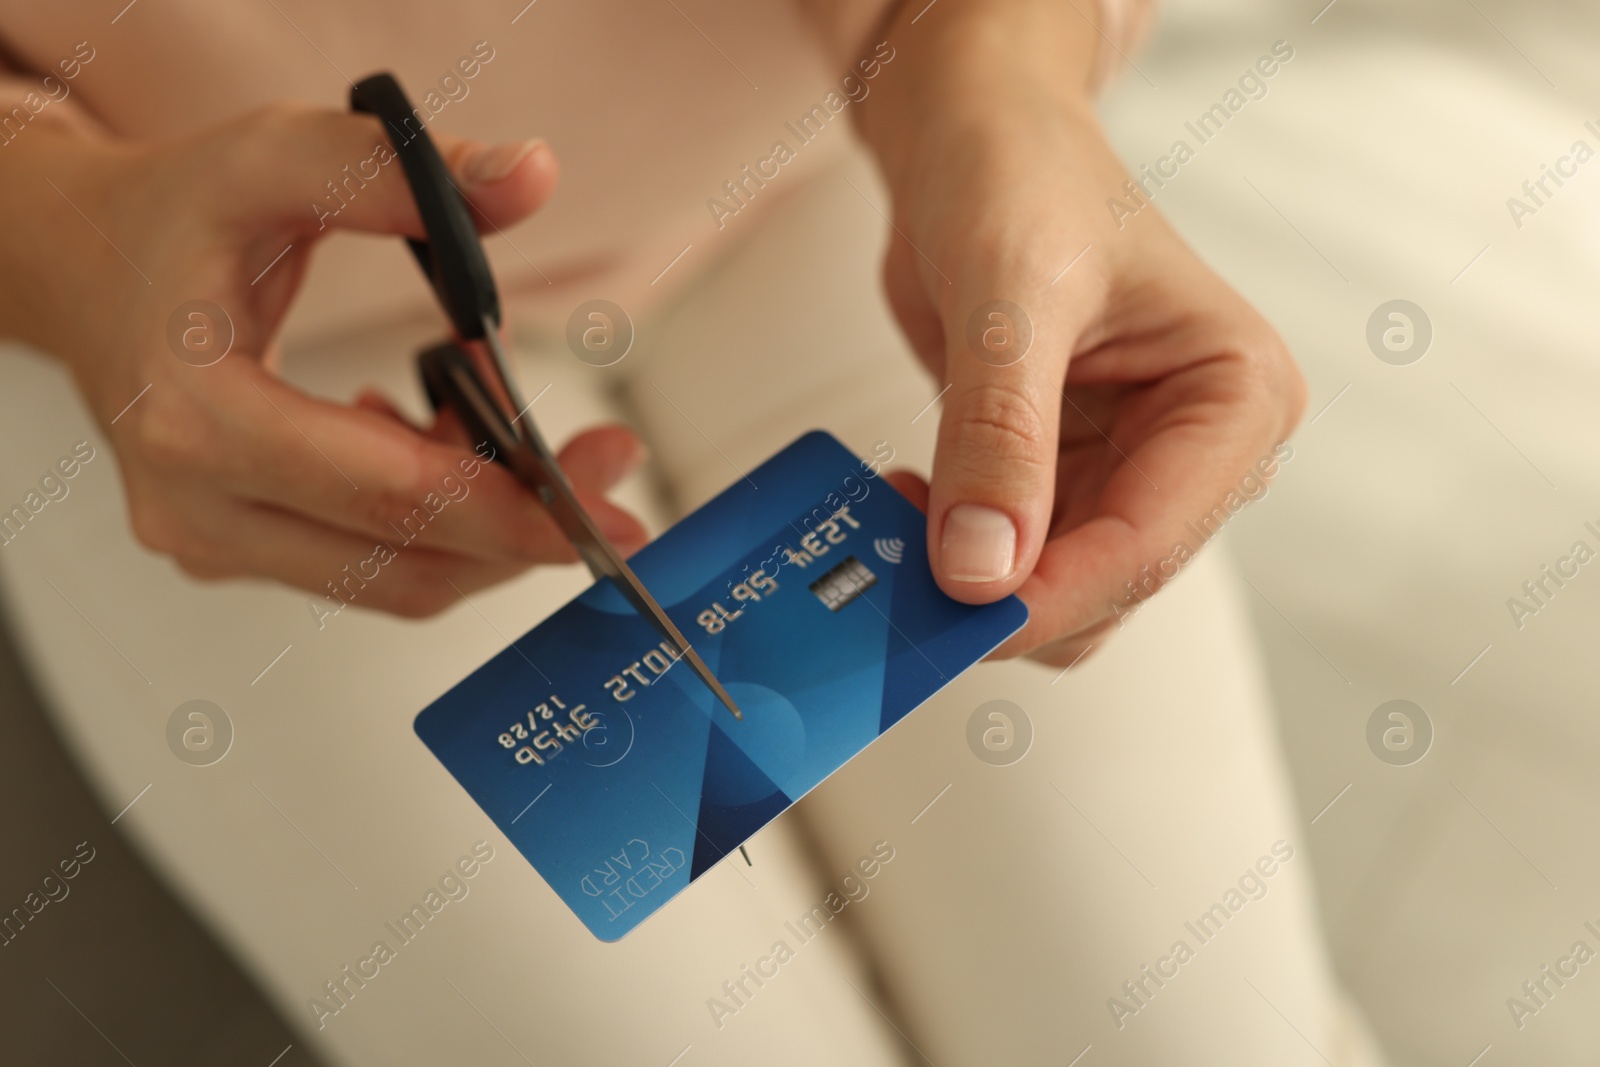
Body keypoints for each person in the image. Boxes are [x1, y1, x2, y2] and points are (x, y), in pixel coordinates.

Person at [0, 1, 1380, 1063]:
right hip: (193, 301)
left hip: (838, 157)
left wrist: (993, 73)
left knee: (1183, 1029)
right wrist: (64, 236)